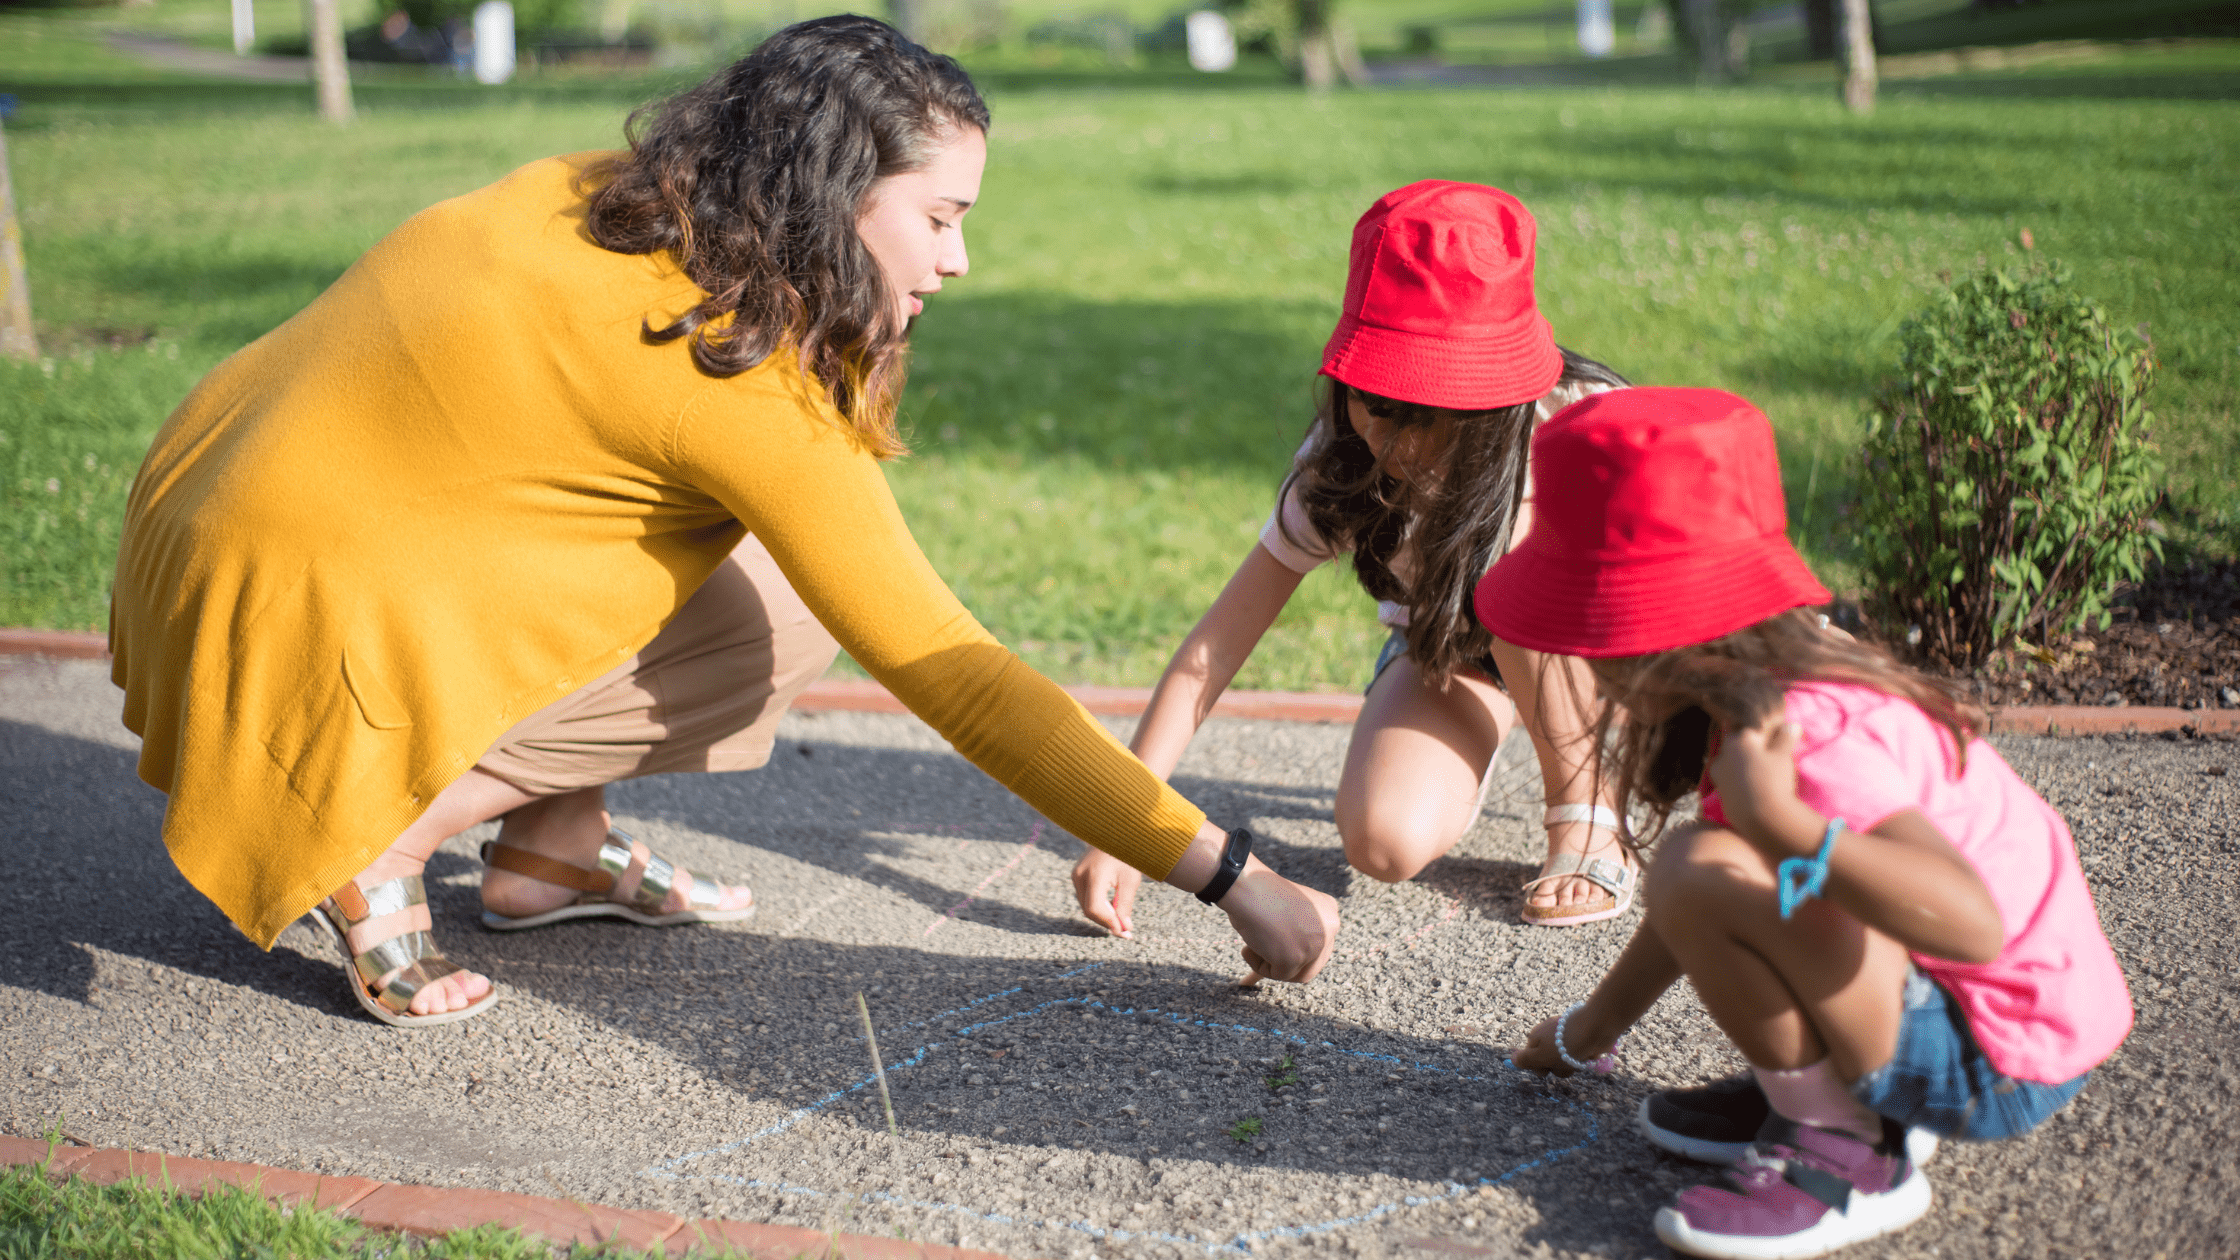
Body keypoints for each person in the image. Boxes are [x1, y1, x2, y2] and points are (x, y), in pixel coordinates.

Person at [109, 16, 1337, 1030]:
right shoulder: (725, 376)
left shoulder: (604, 200)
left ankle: (551, 851)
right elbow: (952, 672)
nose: (959, 260)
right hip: (282, 618)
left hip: (193, 531)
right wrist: (1231, 876)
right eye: (941, 216)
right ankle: (377, 835)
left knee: (747, 561)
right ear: (836, 195)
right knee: (794, 611)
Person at [1493, 388, 2131, 1259]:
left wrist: (1788, 825)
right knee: (1702, 866)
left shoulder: (1813, 740)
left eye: (1586, 626)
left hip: (2000, 1056)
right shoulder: (1756, 694)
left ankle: (1852, 1152)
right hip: (1987, 1009)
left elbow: (1974, 924)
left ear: (1660, 631)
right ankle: (1828, 1089)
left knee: (1696, 860)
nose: (1577, 653)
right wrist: (1588, 1032)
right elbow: (1696, 911)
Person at [1071, 180, 1635, 936]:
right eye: (1377, 404)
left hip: (1603, 654)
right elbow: (1214, 648)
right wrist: (1130, 825)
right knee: (1382, 841)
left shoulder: (1582, 425)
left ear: (1494, 400)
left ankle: (1588, 819)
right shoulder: (1340, 463)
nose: (1394, 443)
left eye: (1430, 415)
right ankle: (1504, 722)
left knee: (1508, 577)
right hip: (1453, 652)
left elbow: (1690, 583)